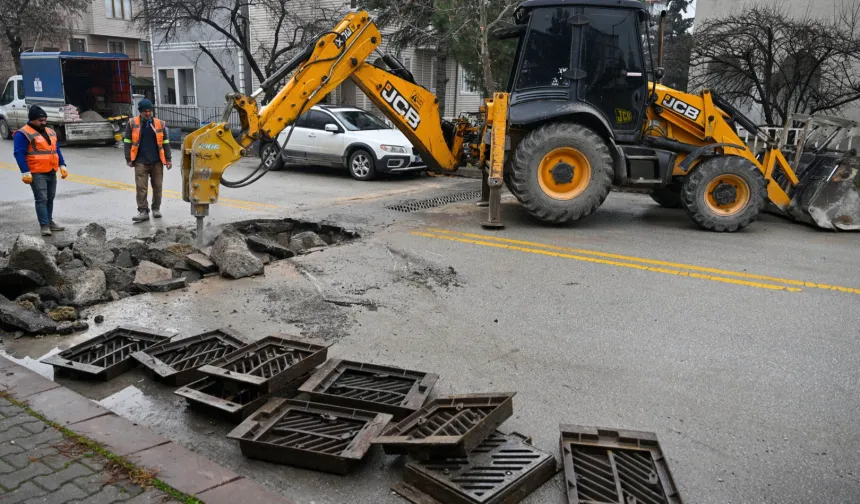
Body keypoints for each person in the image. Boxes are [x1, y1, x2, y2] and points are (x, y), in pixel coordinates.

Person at [14, 105, 68, 236]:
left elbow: (56, 149)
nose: (43, 123)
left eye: (44, 120)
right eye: (40, 120)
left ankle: (49, 222)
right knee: (41, 199)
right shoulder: (23, 134)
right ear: (32, 120)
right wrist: (25, 171)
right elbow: (19, 153)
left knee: (50, 198)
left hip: (51, 170)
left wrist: (62, 164)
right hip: (37, 172)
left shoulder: (50, 132)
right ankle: (44, 225)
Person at [124, 98, 172, 222]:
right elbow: (127, 142)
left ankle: (156, 209)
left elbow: (166, 142)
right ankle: (143, 211)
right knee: (141, 188)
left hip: (157, 162)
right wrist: (128, 158)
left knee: (158, 187)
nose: (148, 113)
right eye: (145, 111)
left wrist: (168, 159)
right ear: (140, 111)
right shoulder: (132, 123)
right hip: (140, 162)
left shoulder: (160, 124)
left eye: (150, 111)